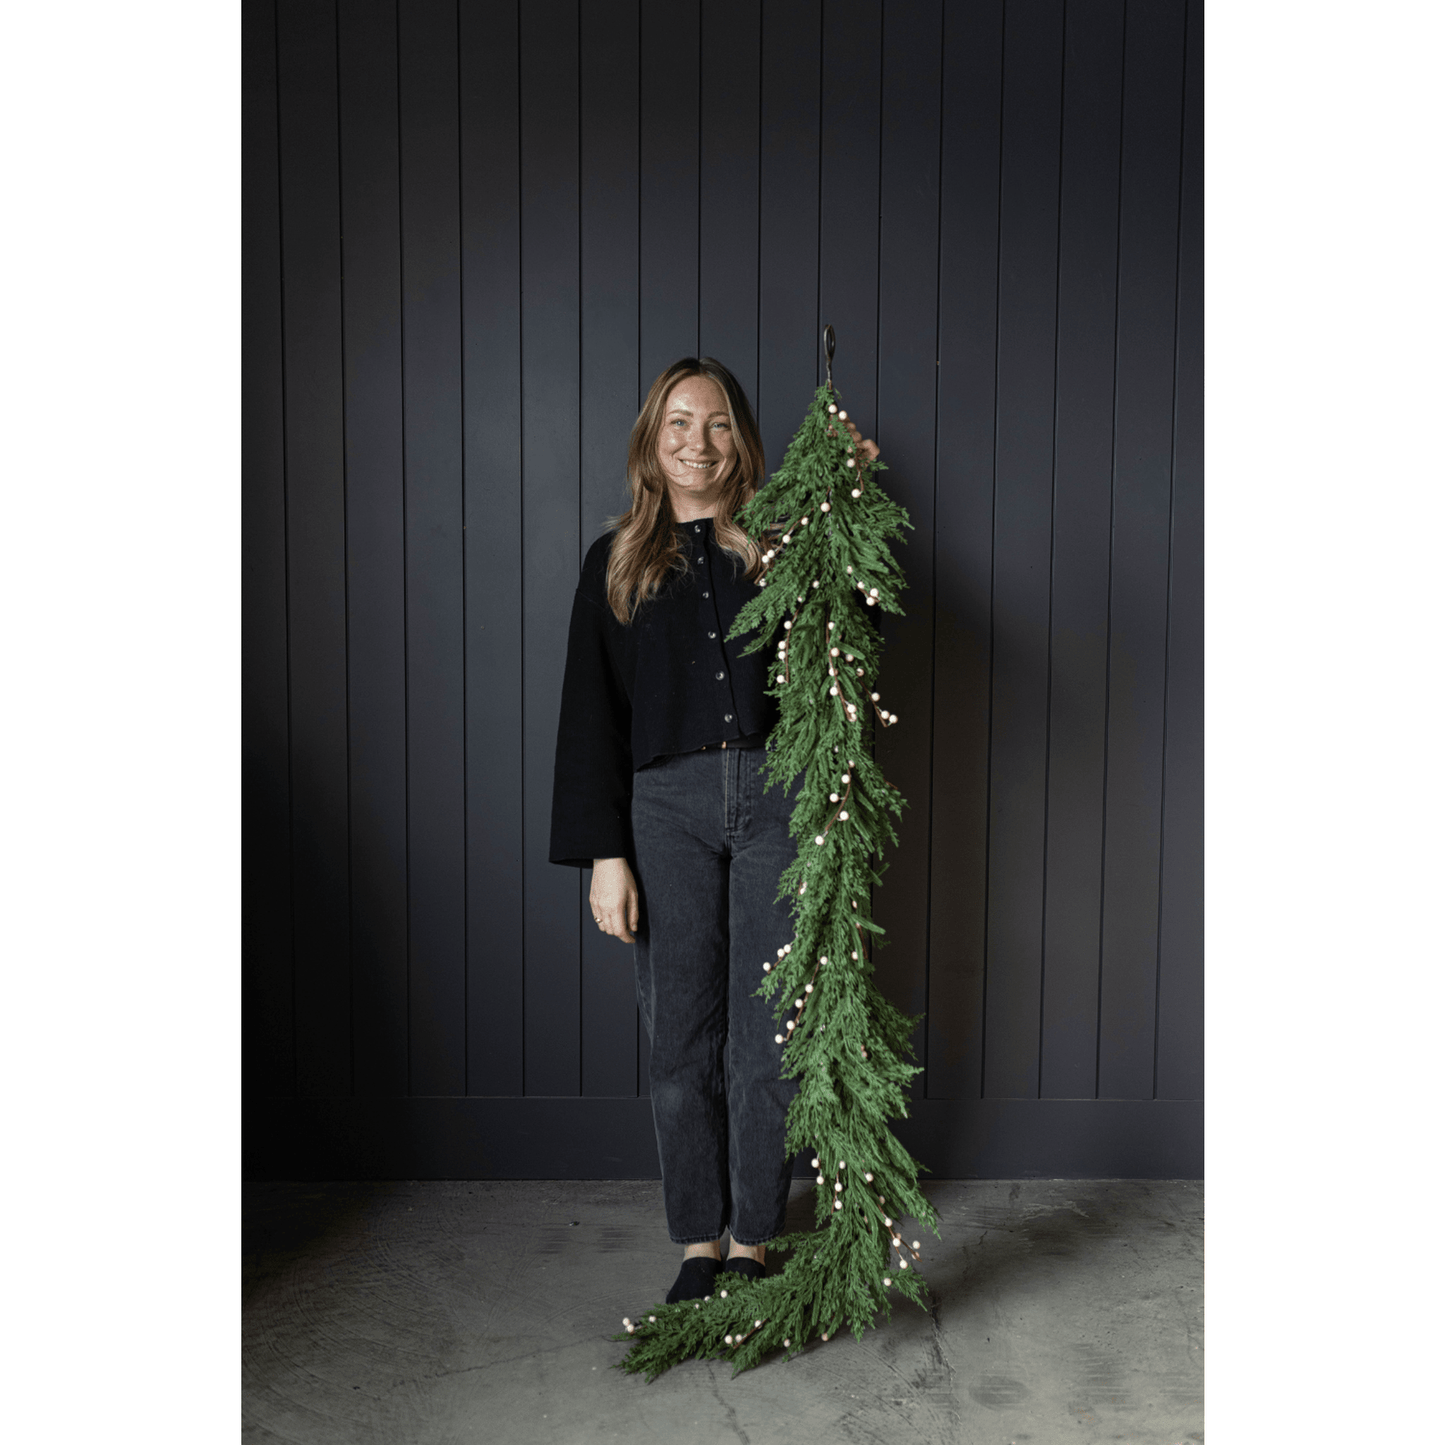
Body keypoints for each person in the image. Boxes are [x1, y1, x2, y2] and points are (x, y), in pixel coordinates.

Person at [549, 357, 879, 1304]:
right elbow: (590, 716)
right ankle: (699, 1240)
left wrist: (846, 503)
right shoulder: (614, 561)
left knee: (765, 1031)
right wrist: (605, 855)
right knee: (679, 1035)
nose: (699, 440)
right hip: (666, 811)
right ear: (653, 439)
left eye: (719, 423)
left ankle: (755, 1236)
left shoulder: (779, 547)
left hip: (779, 795)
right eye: (679, 422)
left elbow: (856, 634)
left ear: (742, 440)